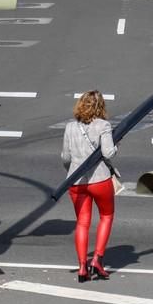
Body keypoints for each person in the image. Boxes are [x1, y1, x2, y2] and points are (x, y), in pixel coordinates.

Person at [61, 90, 118, 283]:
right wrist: (116, 145)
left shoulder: (70, 127)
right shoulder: (103, 125)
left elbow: (65, 157)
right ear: (100, 107)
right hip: (99, 178)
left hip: (76, 182)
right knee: (107, 216)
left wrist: (73, 170)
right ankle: (97, 260)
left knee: (82, 222)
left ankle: (82, 267)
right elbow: (109, 153)